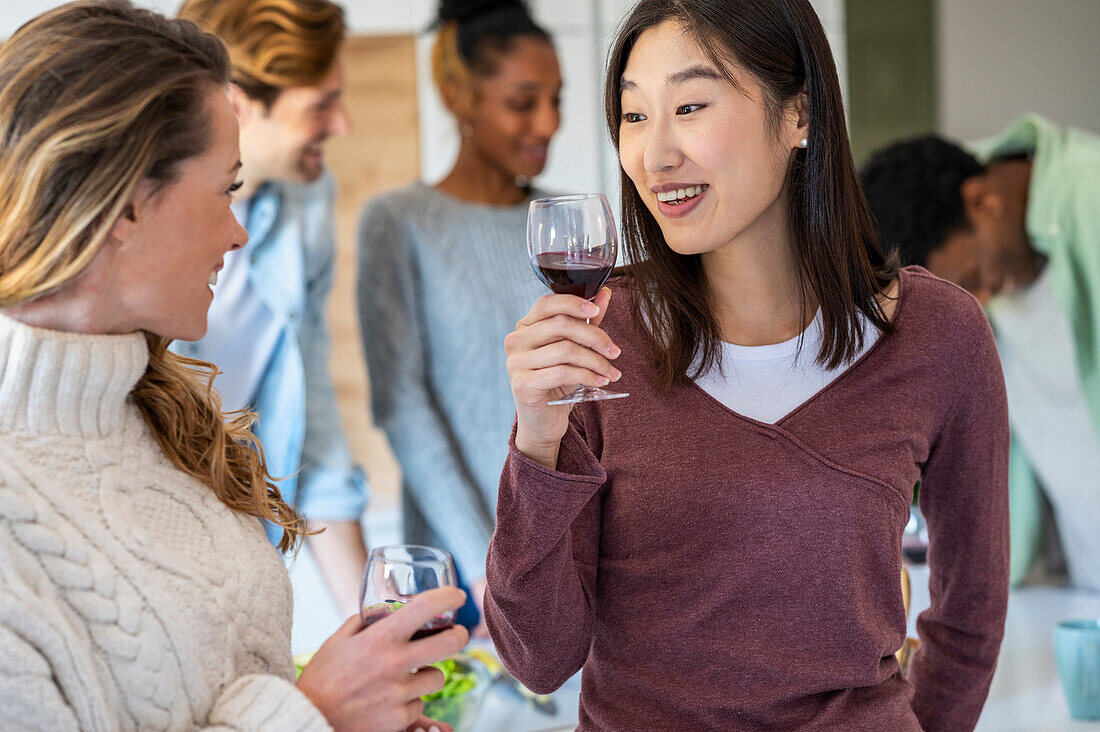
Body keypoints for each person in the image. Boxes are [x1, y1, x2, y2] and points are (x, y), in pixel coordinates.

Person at [484, 0, 1010, 729]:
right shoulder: (606, 337)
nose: (655, 153)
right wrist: (537, 443)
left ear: (799, 115)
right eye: (634, 116)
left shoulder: (940, 335)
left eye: (691, 105)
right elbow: (537, 659)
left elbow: (971, 612)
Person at [0, 3, 466, 730]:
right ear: (126, 208)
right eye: (224, 189)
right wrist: (319, 715)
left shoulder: (166, 421)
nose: (238, 229)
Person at [357, 0, 561, 626]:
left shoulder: (564, 227)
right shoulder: (400, 223)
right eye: (523, 102)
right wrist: (486, 561)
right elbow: (404, 406)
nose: (548, 123)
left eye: (558, 100)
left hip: (565, 552)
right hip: (461, 569)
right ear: (459, 98)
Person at [171, 0, 369, 618]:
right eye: (320, 104)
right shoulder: (142, 225)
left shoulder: (306, 201)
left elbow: (311, 421)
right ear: (237, 103)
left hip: (247, 544)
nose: (343, 125)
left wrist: (371, 619)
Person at [860, 118, 1100, 592]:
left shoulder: (1090, 195)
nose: (982, 299)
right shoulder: (999, 255)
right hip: (1081, 587)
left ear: (982, 202)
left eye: (970, 278)